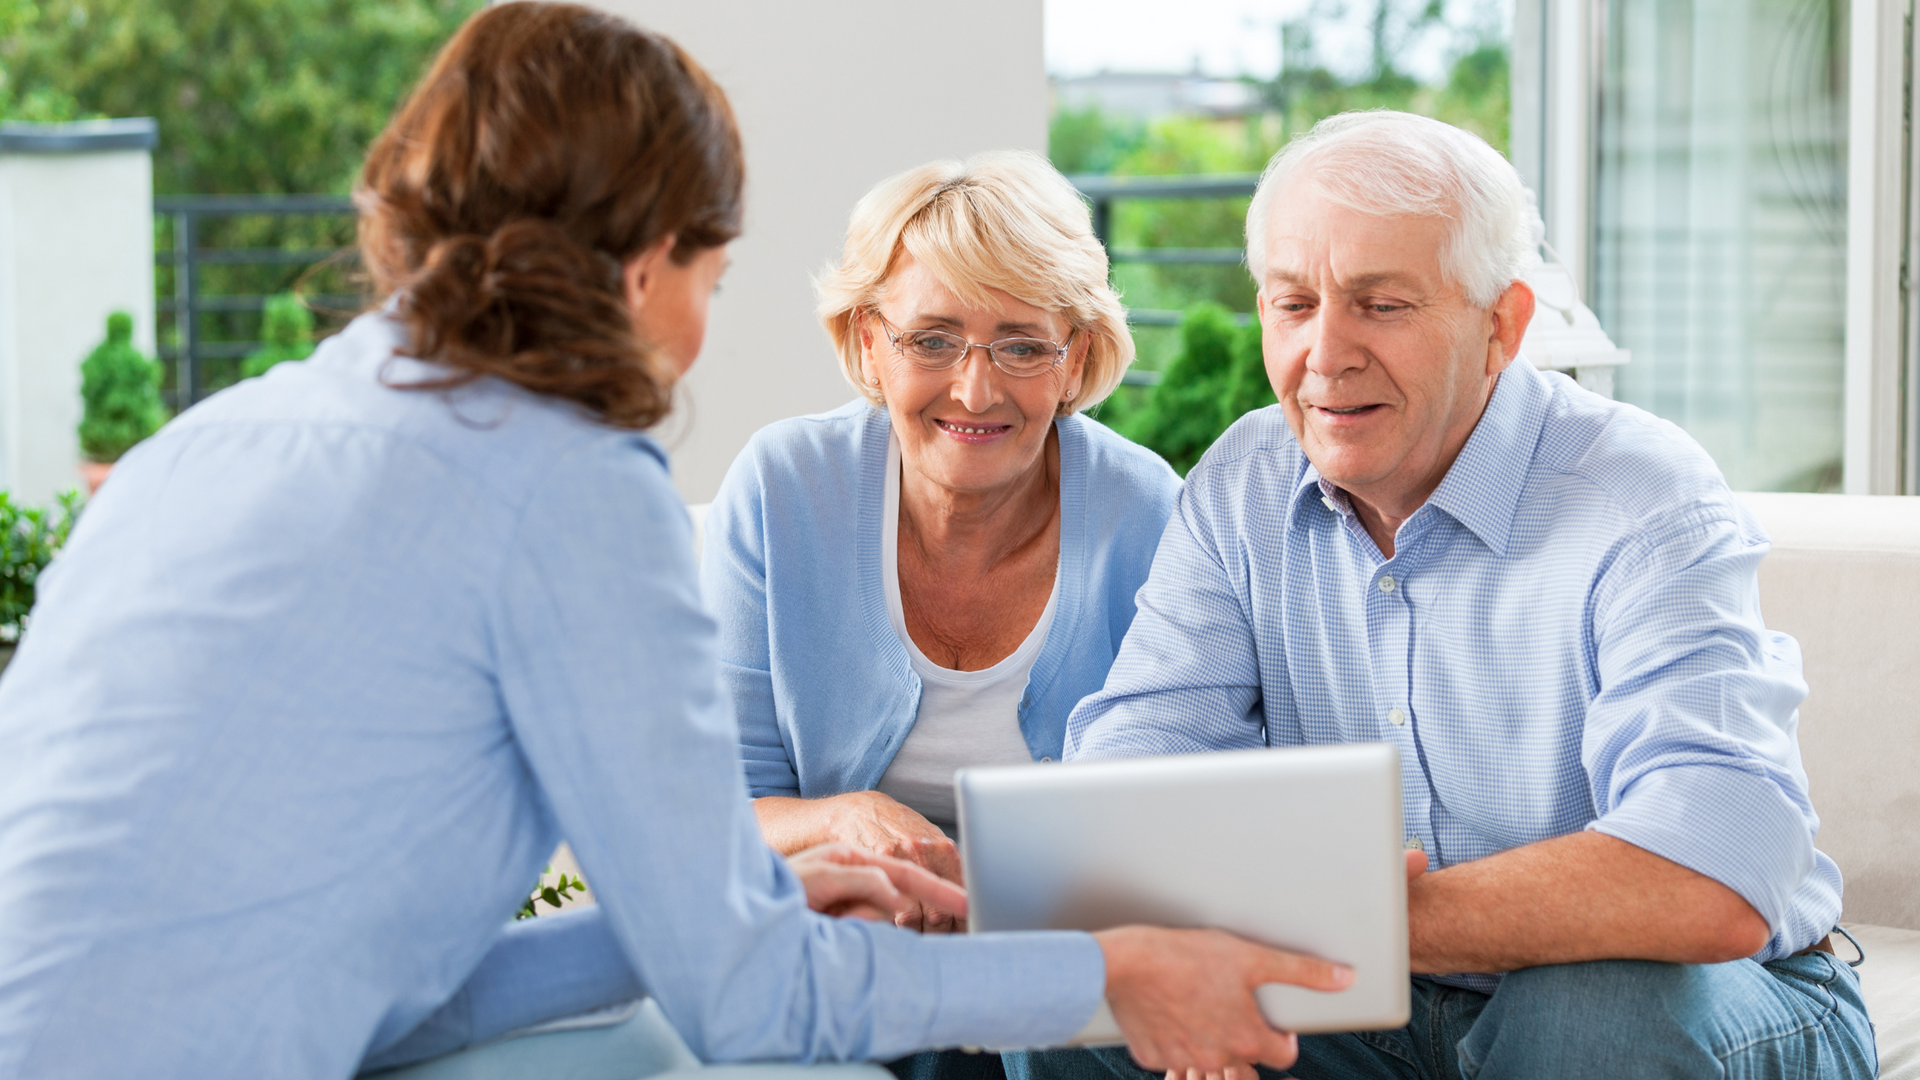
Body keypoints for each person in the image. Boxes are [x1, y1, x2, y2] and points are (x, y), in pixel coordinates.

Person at [0, 6, 1353, 1079]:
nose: (699, 331)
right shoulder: (566, 484)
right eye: (710, 279)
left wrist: (741, 886)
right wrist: (1117, 976)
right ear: (648, 263)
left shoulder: (212, 441)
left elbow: (394, 995)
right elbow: (753, 999)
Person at [1020, 111, 1877, 1080]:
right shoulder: (1245, 481)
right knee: (1082, 995)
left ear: (1501, 326)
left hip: (1703, 993)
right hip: (1368, 1004)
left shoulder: (1640, 496)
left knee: (1586, 1015)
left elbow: (1715, 872)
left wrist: (1358, 918)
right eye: (1292, 304)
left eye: (1382, 305)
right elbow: (1126, 790)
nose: (1326, 354)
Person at [702, 151, 1180, 1080]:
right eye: (932, 340)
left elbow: (1179, 810)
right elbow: (724, 806)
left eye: (1021, 344)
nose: (975, 389)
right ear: (870, 344)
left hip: (1065, 953)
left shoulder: (1147, 511)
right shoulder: (781, 487)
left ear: (1075, 353)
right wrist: (848, 817)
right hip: (851, 937)